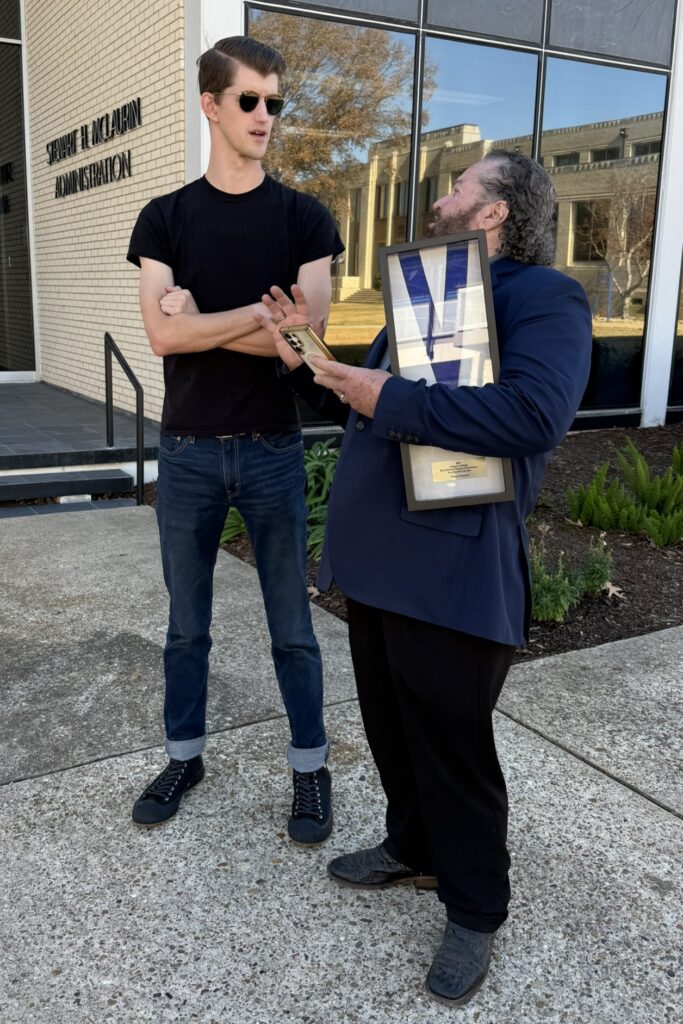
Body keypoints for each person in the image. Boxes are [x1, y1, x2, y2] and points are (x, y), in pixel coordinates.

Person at [260, 151, 593, 1004]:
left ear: (494, 212)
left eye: (457, 188)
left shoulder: (543, 297)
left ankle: (475, 909)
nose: (440, 200)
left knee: (453, 750)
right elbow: (363, 403)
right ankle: (412, 849)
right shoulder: (430, 297)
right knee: (391, 730)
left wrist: (385, 395)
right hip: (379, 566)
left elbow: (532, 415)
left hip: (451, 571)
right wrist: (302, 352)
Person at [126, 36, 343, 845]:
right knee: (186, 627)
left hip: (270, 449)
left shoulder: (303, 218)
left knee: (293, 627)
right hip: (186, 452)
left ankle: (310, 768)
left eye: (273, 102)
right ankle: (184, 758)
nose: (263, 115)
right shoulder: (164, 218)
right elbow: (160, 337)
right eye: (248, 99)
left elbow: (307, 347)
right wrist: (260, 316)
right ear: (210, 105)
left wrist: (203, 320)